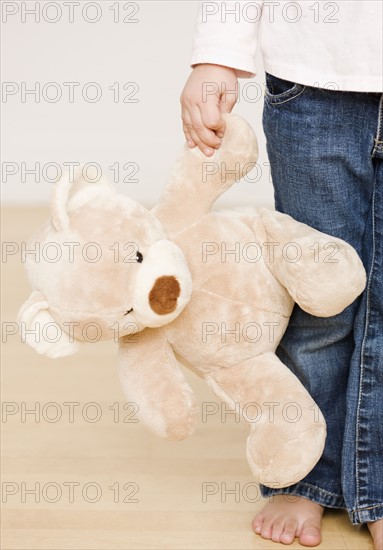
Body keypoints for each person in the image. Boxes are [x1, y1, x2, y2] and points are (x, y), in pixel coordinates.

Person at [180, 1, 383, 548]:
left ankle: (377, 481)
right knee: (318, 294)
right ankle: (308, 472)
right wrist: (218, 55)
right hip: (315, 79)